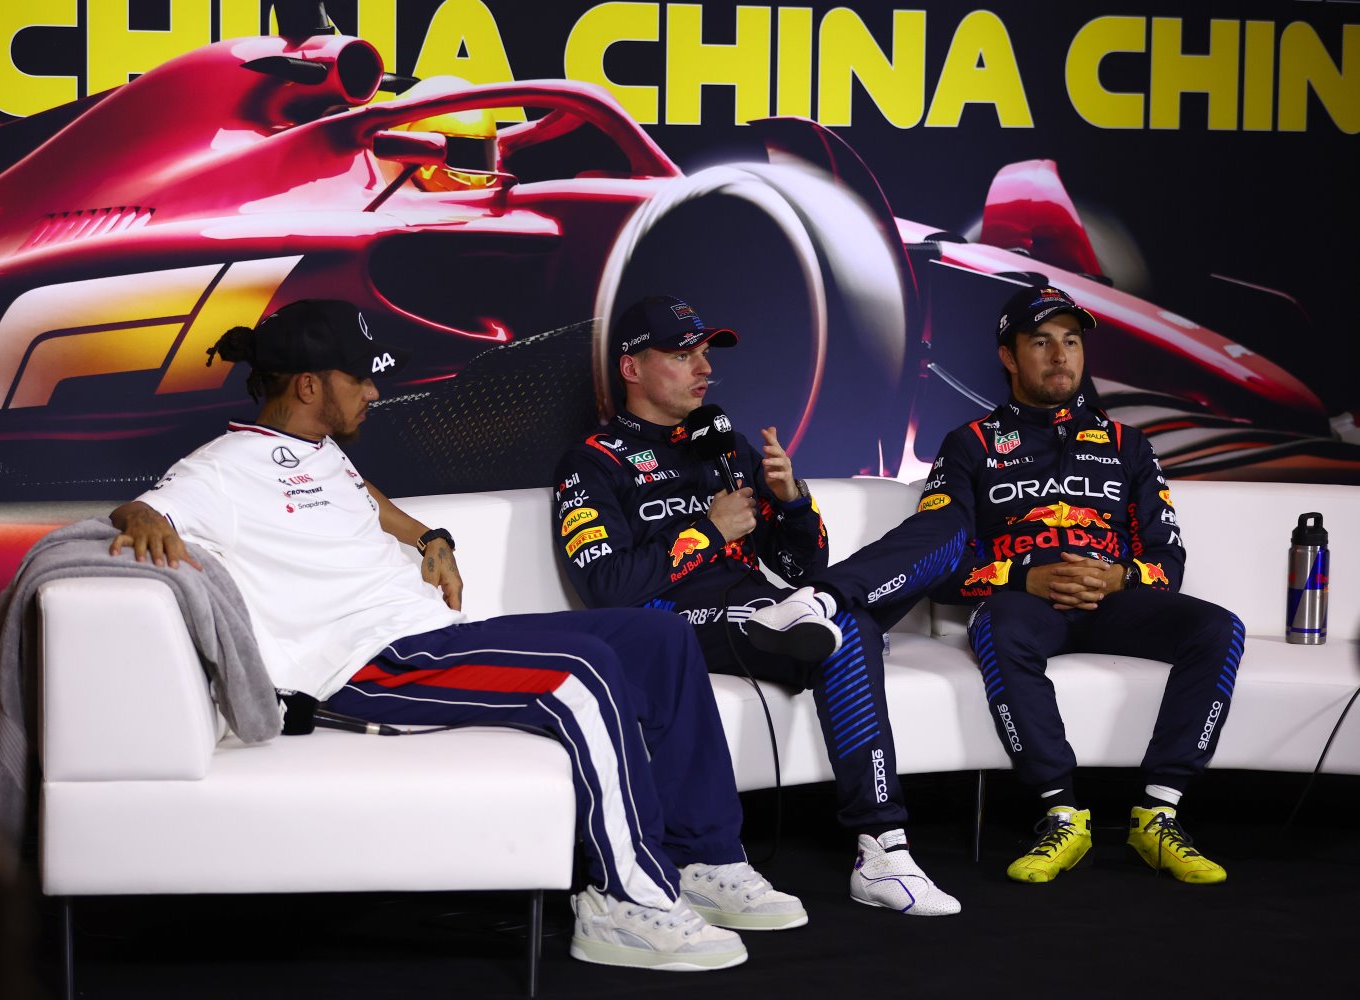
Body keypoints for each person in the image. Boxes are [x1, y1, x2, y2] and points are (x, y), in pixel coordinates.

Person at [108, 299, 807, 972]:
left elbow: (369, 501)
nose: (376, 392)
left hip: (430, 636)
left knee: (657, 639)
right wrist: (142, 519)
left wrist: (431, 538)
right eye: (361, 378)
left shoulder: (318, 449)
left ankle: (706, 858)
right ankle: (626, 900)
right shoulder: (221, 471)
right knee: (582, 672)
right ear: (310, 383)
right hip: (367, 665)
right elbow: (148, 506)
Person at [552, 295, 970, 917]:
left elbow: (805, 567)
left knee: (950, 529)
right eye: (681, 354)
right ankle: (883, 848)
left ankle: (818, 611)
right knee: (846, 625)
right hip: (676, 626)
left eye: (704, 355)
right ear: (632, 368)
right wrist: (707, 531)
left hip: (778, 612)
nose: (702, 368)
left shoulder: (729, 448)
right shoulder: (591, 463)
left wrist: (793, 501)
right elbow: (607, 587)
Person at [918, 284, 1244, 884]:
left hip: (1114, 603)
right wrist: (1024, 577)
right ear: (1009, 357)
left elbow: (1168, 560)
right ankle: (1061, 814)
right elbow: (936, 566)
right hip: (1026, 607)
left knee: (1218, 628)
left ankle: (1160, 813)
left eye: (1070, 341)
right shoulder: (968, 446)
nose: (1060, 355)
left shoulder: (1129, 446)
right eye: (1041, 341)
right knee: (996, 624)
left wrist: (1120, 575)